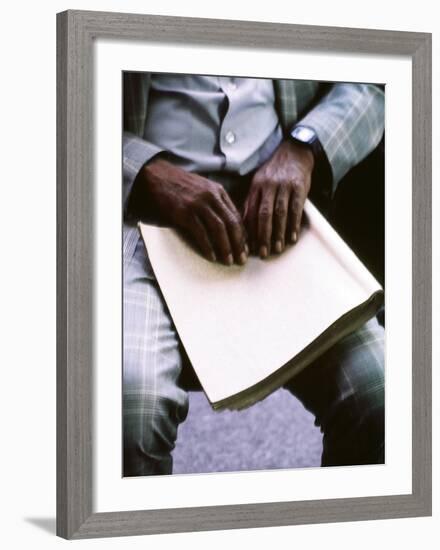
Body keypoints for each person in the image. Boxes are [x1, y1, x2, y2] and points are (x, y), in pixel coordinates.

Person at [122, 73, 385, 476]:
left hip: (275, 211)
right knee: (132, 405)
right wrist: (143, 170)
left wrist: (306, 146)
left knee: (385, 393)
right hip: (141, 214)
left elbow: (370, 82)